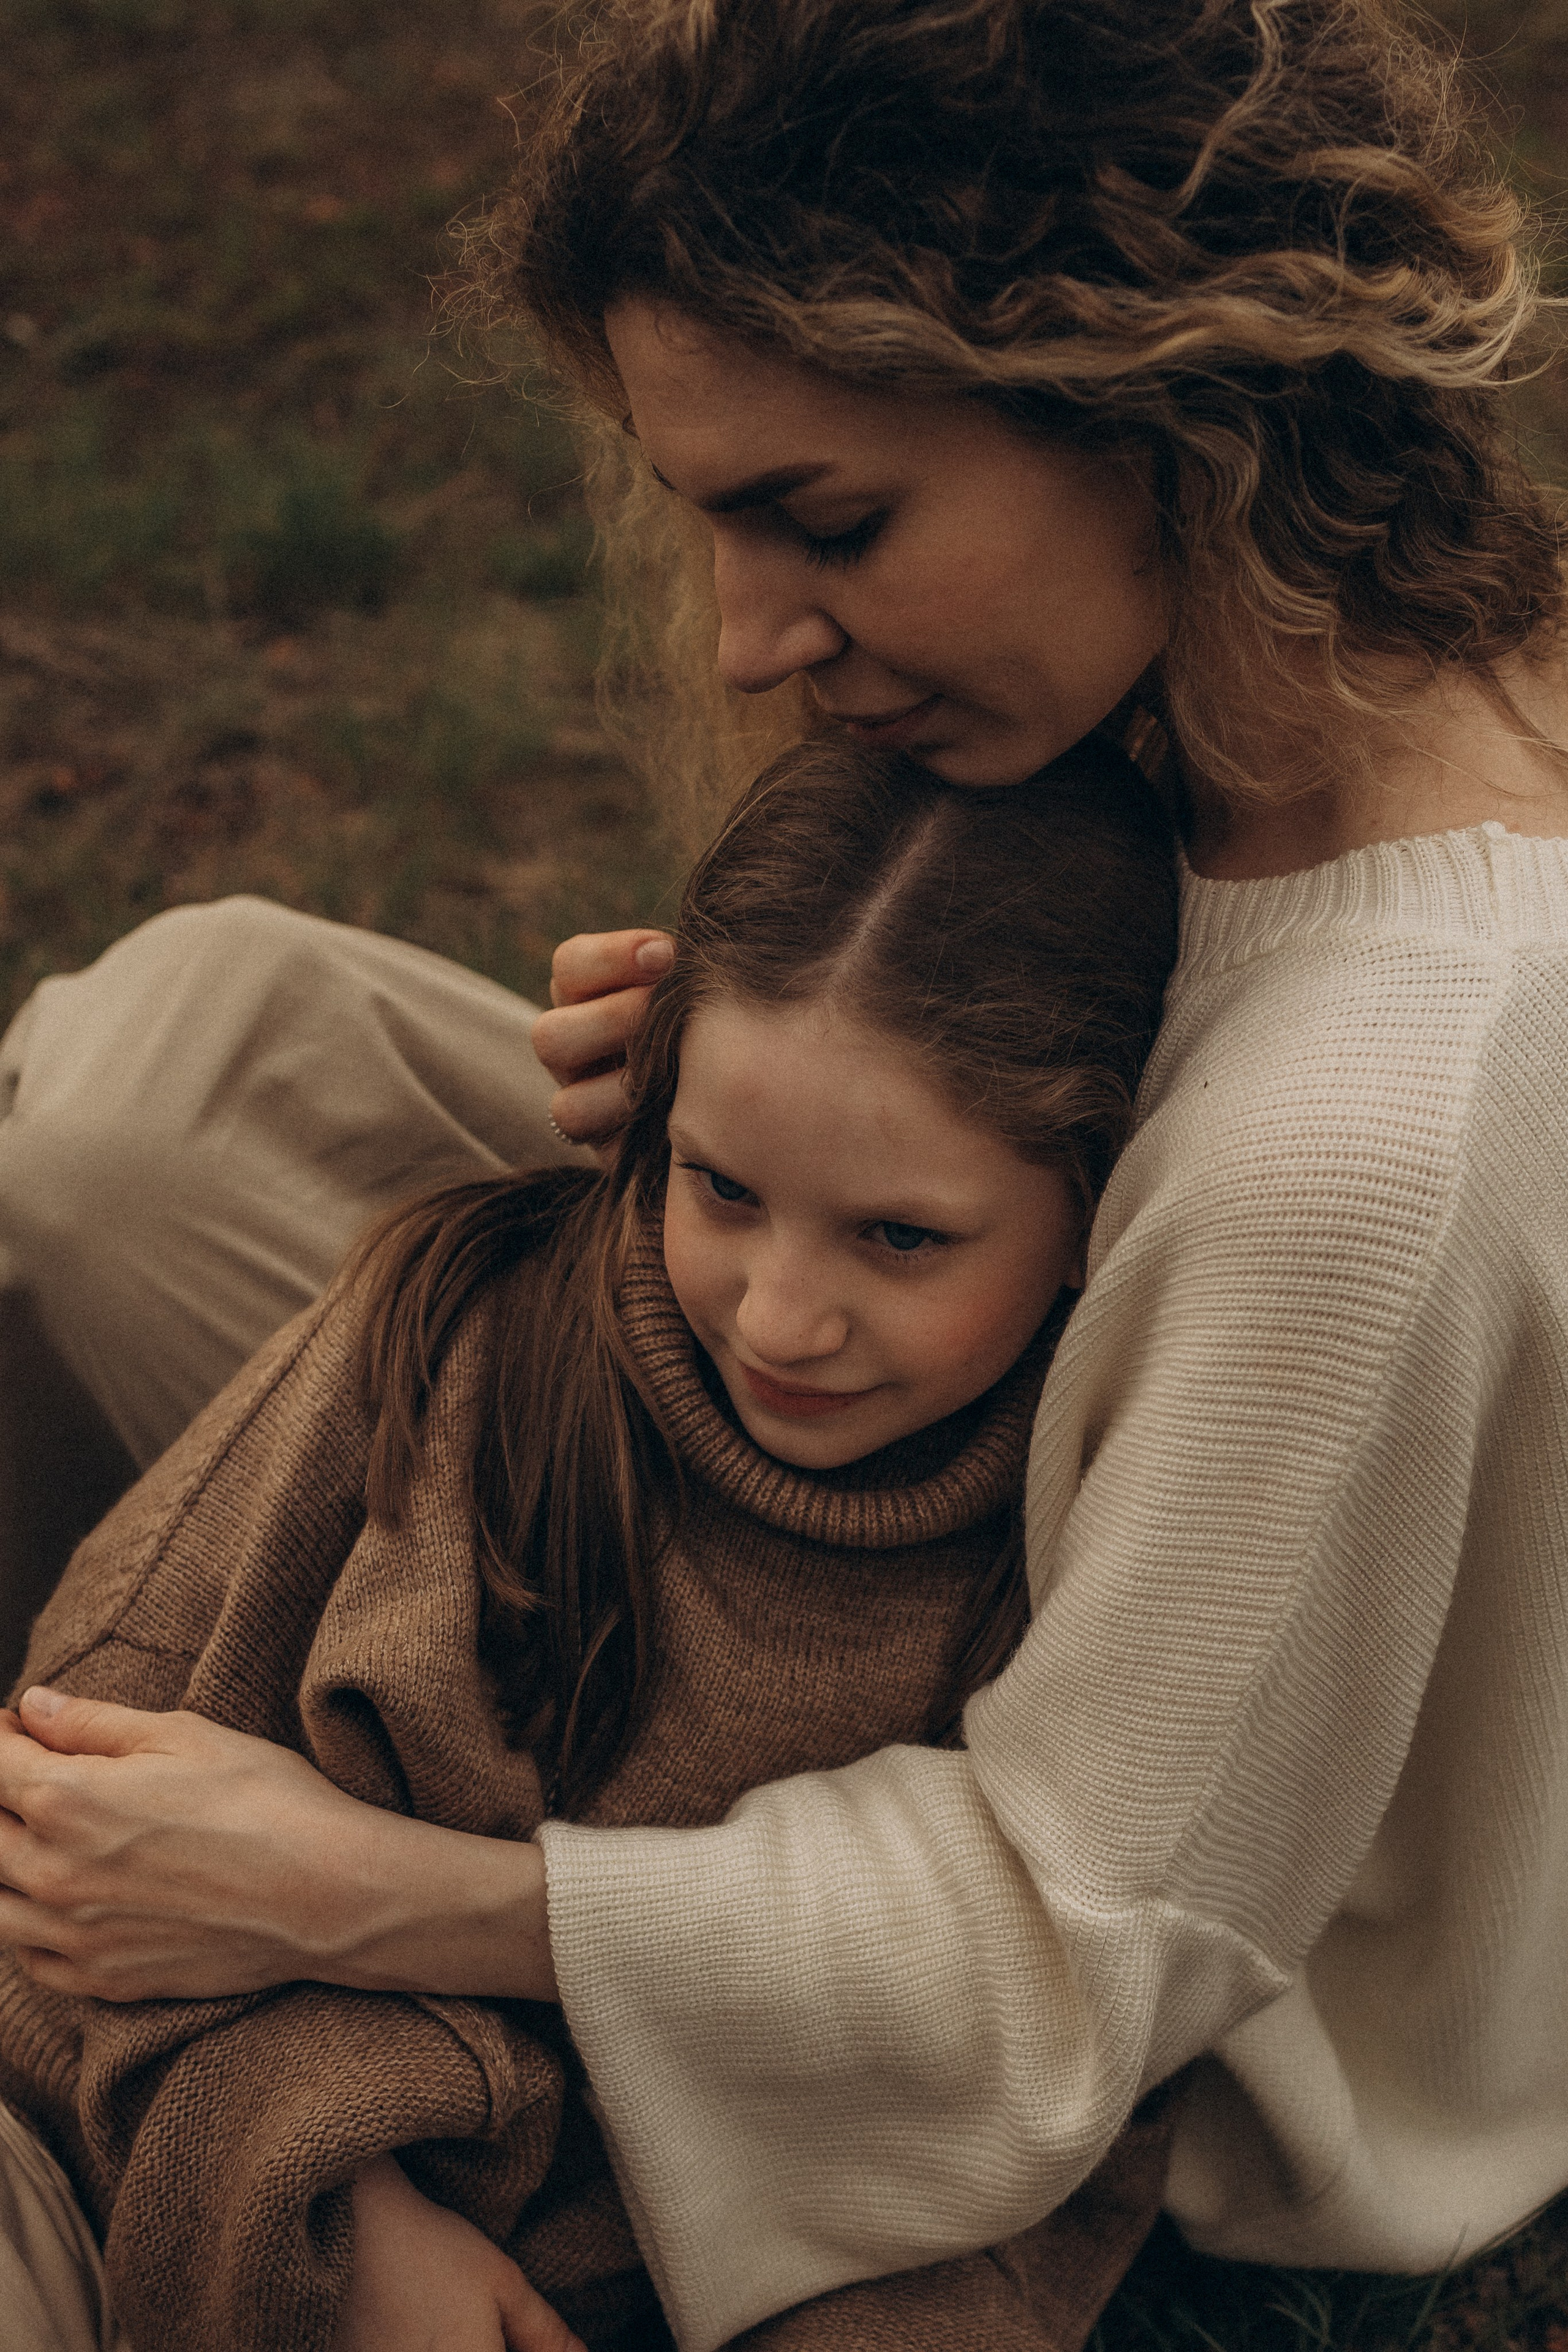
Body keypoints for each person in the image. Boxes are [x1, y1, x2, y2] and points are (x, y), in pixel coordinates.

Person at [2, 0, 1568, 2347]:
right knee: (191, 1051)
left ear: (1165, 408)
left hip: (1119, 2111)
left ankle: (105, 1897)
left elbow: (1066, 1962)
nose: (747, 641)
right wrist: (776, 1093)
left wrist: (345, 1895)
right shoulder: (1320, 675)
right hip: (908, 1493)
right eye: (705, 513)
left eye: (829, 525)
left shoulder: (1364, 1135)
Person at [0, 738, 1180, 2352]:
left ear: (1099, 1212)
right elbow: (54, 1862)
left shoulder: (1105, 1557)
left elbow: (1021, 2128)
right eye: (724, 1188)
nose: (779, 1318)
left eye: (900, 1237)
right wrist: (336, 2209)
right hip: (158, 2189)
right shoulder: (447, 1343)